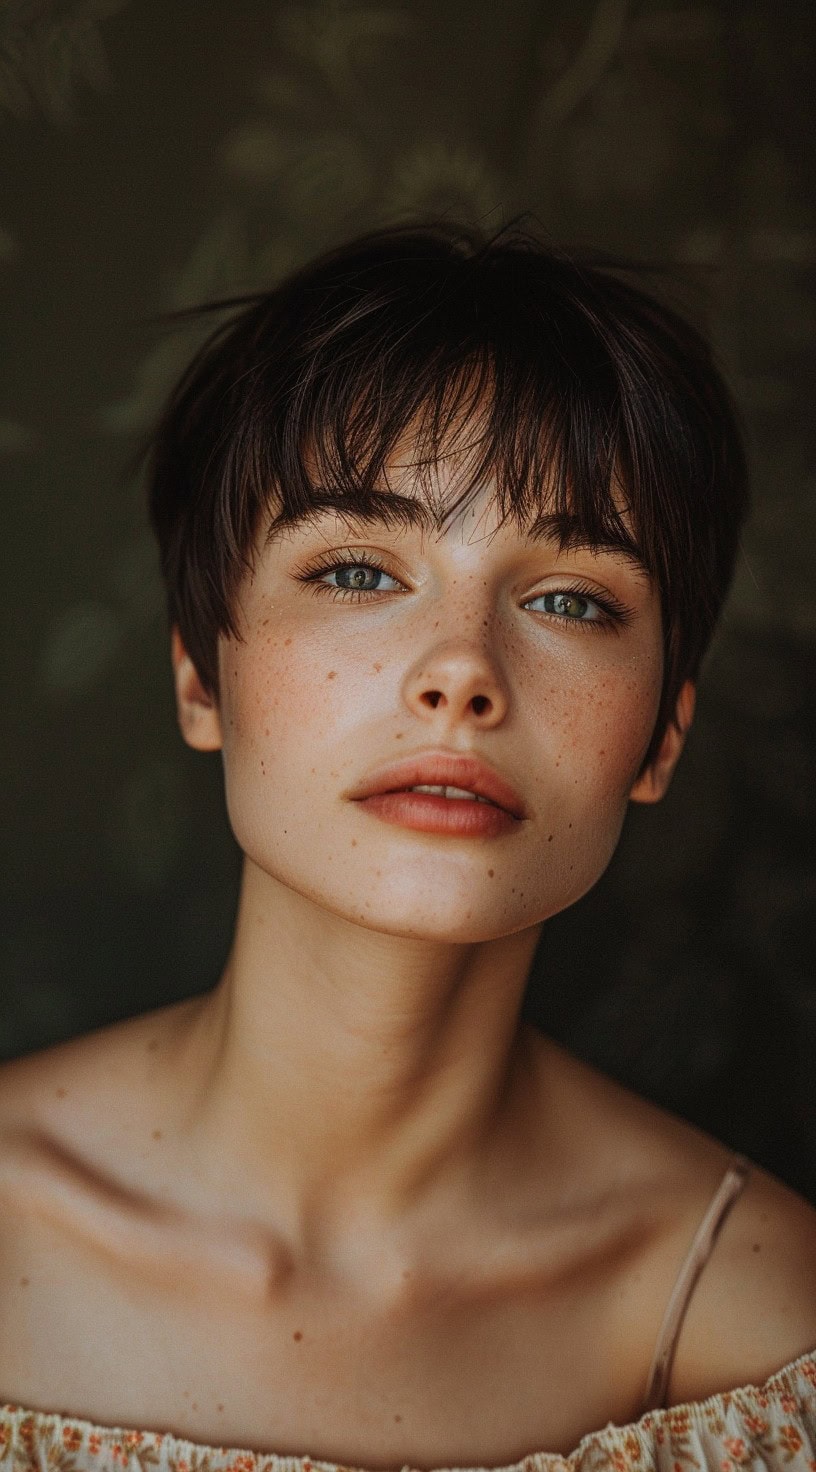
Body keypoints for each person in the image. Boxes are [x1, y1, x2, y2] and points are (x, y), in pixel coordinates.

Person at [1, 219, 815, 1472]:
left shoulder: (763, 1334)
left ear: (661, 737)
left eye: (571, 599)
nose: (461, 672)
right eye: (358, 570)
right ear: (198, 675)